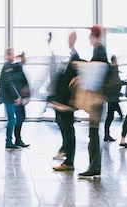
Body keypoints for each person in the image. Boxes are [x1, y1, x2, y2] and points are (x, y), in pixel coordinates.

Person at [73, 25, 109, 178]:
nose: (89, 38)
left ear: (94, 36)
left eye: (90, 35)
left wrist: (81, 68)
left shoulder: (99, 50)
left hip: (97, 100)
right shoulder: (99, 50)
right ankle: (94, 166)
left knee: (93, 134)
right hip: (97, 99)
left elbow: (97, 73)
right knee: (93, 133)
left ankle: (94, 167)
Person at [50, 31, 79, 171]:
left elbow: (72, 80)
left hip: (67, 104)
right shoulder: (70, 58)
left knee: (68, 131)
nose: (69, 40)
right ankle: (67, 155)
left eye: (71, 38)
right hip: (63, 103)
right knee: (66, 130)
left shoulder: (75, 58)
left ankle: (69, 161)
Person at [0, 48, 28, 150]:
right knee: (12, 119)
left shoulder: (9, 65)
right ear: (8, 55)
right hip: (7, 97)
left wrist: (21, 60)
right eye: (12, 55)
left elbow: (16, 67)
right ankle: (8, 142)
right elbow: (8, 82)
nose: (13, 56)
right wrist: (17, 96)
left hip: (9, 97)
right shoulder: (7, 65)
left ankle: (11, 141)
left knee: (13, 119)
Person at [103, 55, 123, 142]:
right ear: (114, 61)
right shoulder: (114, 69)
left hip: (112, 96)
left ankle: (107, 134)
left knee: (110, 115)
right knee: (110, 115)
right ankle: (107, 134)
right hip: (112, 96)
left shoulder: (113, 69)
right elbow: (115, 82)